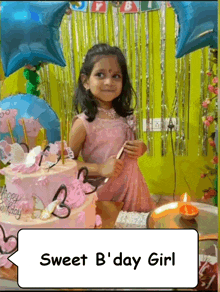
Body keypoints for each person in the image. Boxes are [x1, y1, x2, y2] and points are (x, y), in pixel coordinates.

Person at [69, 43, 156, 212]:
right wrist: (100, 169)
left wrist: (141, 148)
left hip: (132, 190)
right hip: (103, 194)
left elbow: (129, 152)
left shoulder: (128, 117)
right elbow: (66, 165)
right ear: (86, 81)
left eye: (116, 76)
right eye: (100, 75)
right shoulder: (83, 123)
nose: (109, 82)